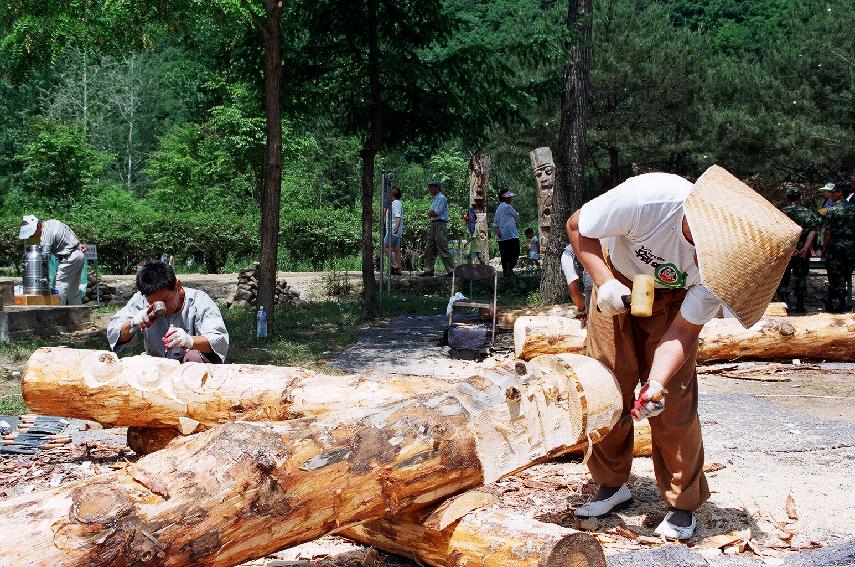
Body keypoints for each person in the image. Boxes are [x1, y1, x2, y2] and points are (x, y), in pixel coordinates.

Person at [566, 166, 799, 540]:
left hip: (672, 302)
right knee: (608, 385)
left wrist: (655, 384)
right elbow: (578, 225)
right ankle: (611, 484)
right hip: (617, 278)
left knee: (673, 402)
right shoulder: (650, 199)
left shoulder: (721, 273)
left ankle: (682, 505)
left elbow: (683, 332)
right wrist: (604, 282)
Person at [107, 260, 229, 363]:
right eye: (152, 303)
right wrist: (132, 324)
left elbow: (218, 341)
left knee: (194, 357)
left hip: (189, 368)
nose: (161, 308)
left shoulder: (200, 301)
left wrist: (189, 340)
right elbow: (114, 331)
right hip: (156, 364)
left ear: (177, 285)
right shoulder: (141, 299)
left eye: (165, 300)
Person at [18, 215, 86, 305]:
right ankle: (78, 315)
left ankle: (57, 313)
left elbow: (44, 259)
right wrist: (78, 243)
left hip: (70, 258)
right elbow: (68, 230)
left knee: (58, 288)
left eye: (32, 232)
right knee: (73, 291)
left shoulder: (46, 235)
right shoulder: (52, 222)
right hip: (78, 255)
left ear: (38, 226)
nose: (32, 235)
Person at [776, 186, 821, 313]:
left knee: (783, 278)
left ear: (786, 197)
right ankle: (800, 306)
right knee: (801, 277)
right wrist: (805, 248)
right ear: (800, 197)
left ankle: (786, 306)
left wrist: (792, 248)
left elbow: (779, 232)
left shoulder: (781, 212)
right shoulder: (808, 213)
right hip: (802, 253)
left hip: (786, 252)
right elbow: (813, 231)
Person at [821, 181, 855, 312]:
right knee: (845, 276)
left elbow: (827, 231)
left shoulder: (833, 210)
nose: (830, 194)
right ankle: (831, 300)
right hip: (851, 249)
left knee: (835, 276)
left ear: (840, 193)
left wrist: (824, 248)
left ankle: (841, 304)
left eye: (832, 192)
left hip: (836, 249)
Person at [420, 180, 455, 277]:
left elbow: (436, 212)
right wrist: (431, 213)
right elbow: (430, 213)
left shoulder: (441, 198)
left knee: (442, 247)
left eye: (431, 188)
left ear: (436, 188)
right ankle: (428, 270)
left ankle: (451, 270)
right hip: (433, 223)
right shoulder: (434, 199)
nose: (429, 190)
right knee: (429, 247)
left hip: (440, 224)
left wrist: (432, 213)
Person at [560, 242, 592, 324]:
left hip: (591, 252)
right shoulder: (569, 256)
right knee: (577, 290)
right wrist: (582, 309)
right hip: (574, 253)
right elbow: (574, 291)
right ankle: (584, 311)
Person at [493, 190, 520, 276]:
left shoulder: (498, 209)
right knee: (515, 253)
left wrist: (497, 230)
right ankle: (510, 269)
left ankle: (506, 273)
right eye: (510, 197)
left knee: (504, 255)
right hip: (511, 235)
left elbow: (495, 223)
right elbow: (516, 217)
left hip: (502, 237)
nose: (511, 198)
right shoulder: (508, 207)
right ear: (506, 198)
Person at [383, 186, 404, 275]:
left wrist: (396, 227)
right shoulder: (392, 204)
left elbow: (397, 216)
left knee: (384, 247)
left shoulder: (396, 203)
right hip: (394, 230)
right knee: (396, 249)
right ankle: (398, 270)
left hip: (393, 230)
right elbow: (383, 214)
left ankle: (395, 265)